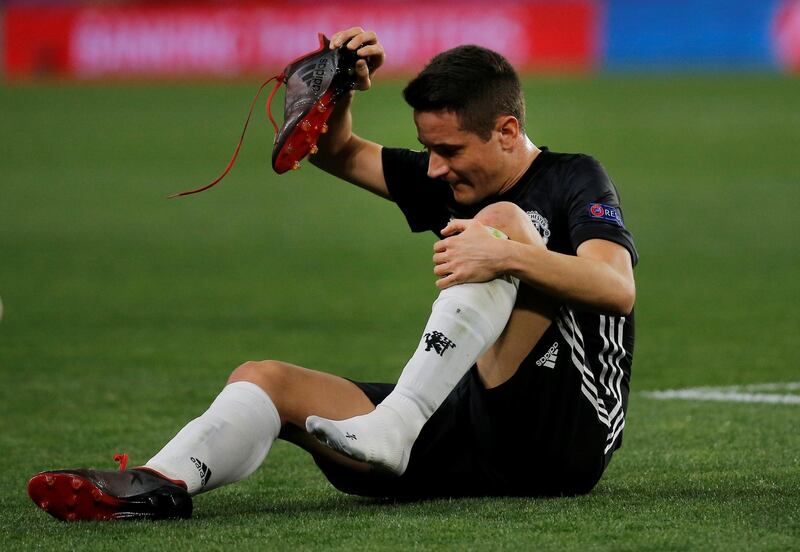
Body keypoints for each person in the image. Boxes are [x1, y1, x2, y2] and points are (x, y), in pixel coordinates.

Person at [28, 27, 637, 521]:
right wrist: (342, 83)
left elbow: (617, 288)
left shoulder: (574, 177)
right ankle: (153, 486)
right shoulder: (448, 177)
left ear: (507, 131)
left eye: (448, 151)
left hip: (564, 439)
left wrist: (503, 251)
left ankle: (396, 424)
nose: (432, 169)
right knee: (265, 380)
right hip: (468, 426)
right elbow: (336, 151)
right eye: (426, 148)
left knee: (499, 222)